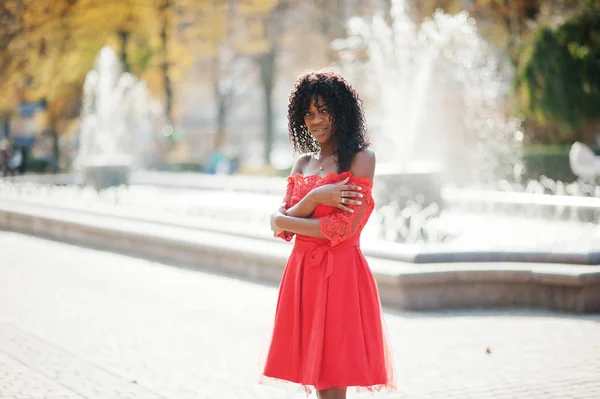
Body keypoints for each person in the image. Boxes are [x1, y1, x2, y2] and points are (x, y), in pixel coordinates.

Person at [261, 71, 396, 398]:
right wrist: (314, 199)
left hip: (340, 276)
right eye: (308, 113)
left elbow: (341, 229)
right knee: (317, 377)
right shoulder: (303, 163)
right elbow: (278, 228)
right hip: (302, 275)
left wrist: (286, 219)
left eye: (324, 110)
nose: (316, 120)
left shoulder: (361, 159)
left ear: (342, 111)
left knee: (334, 380)